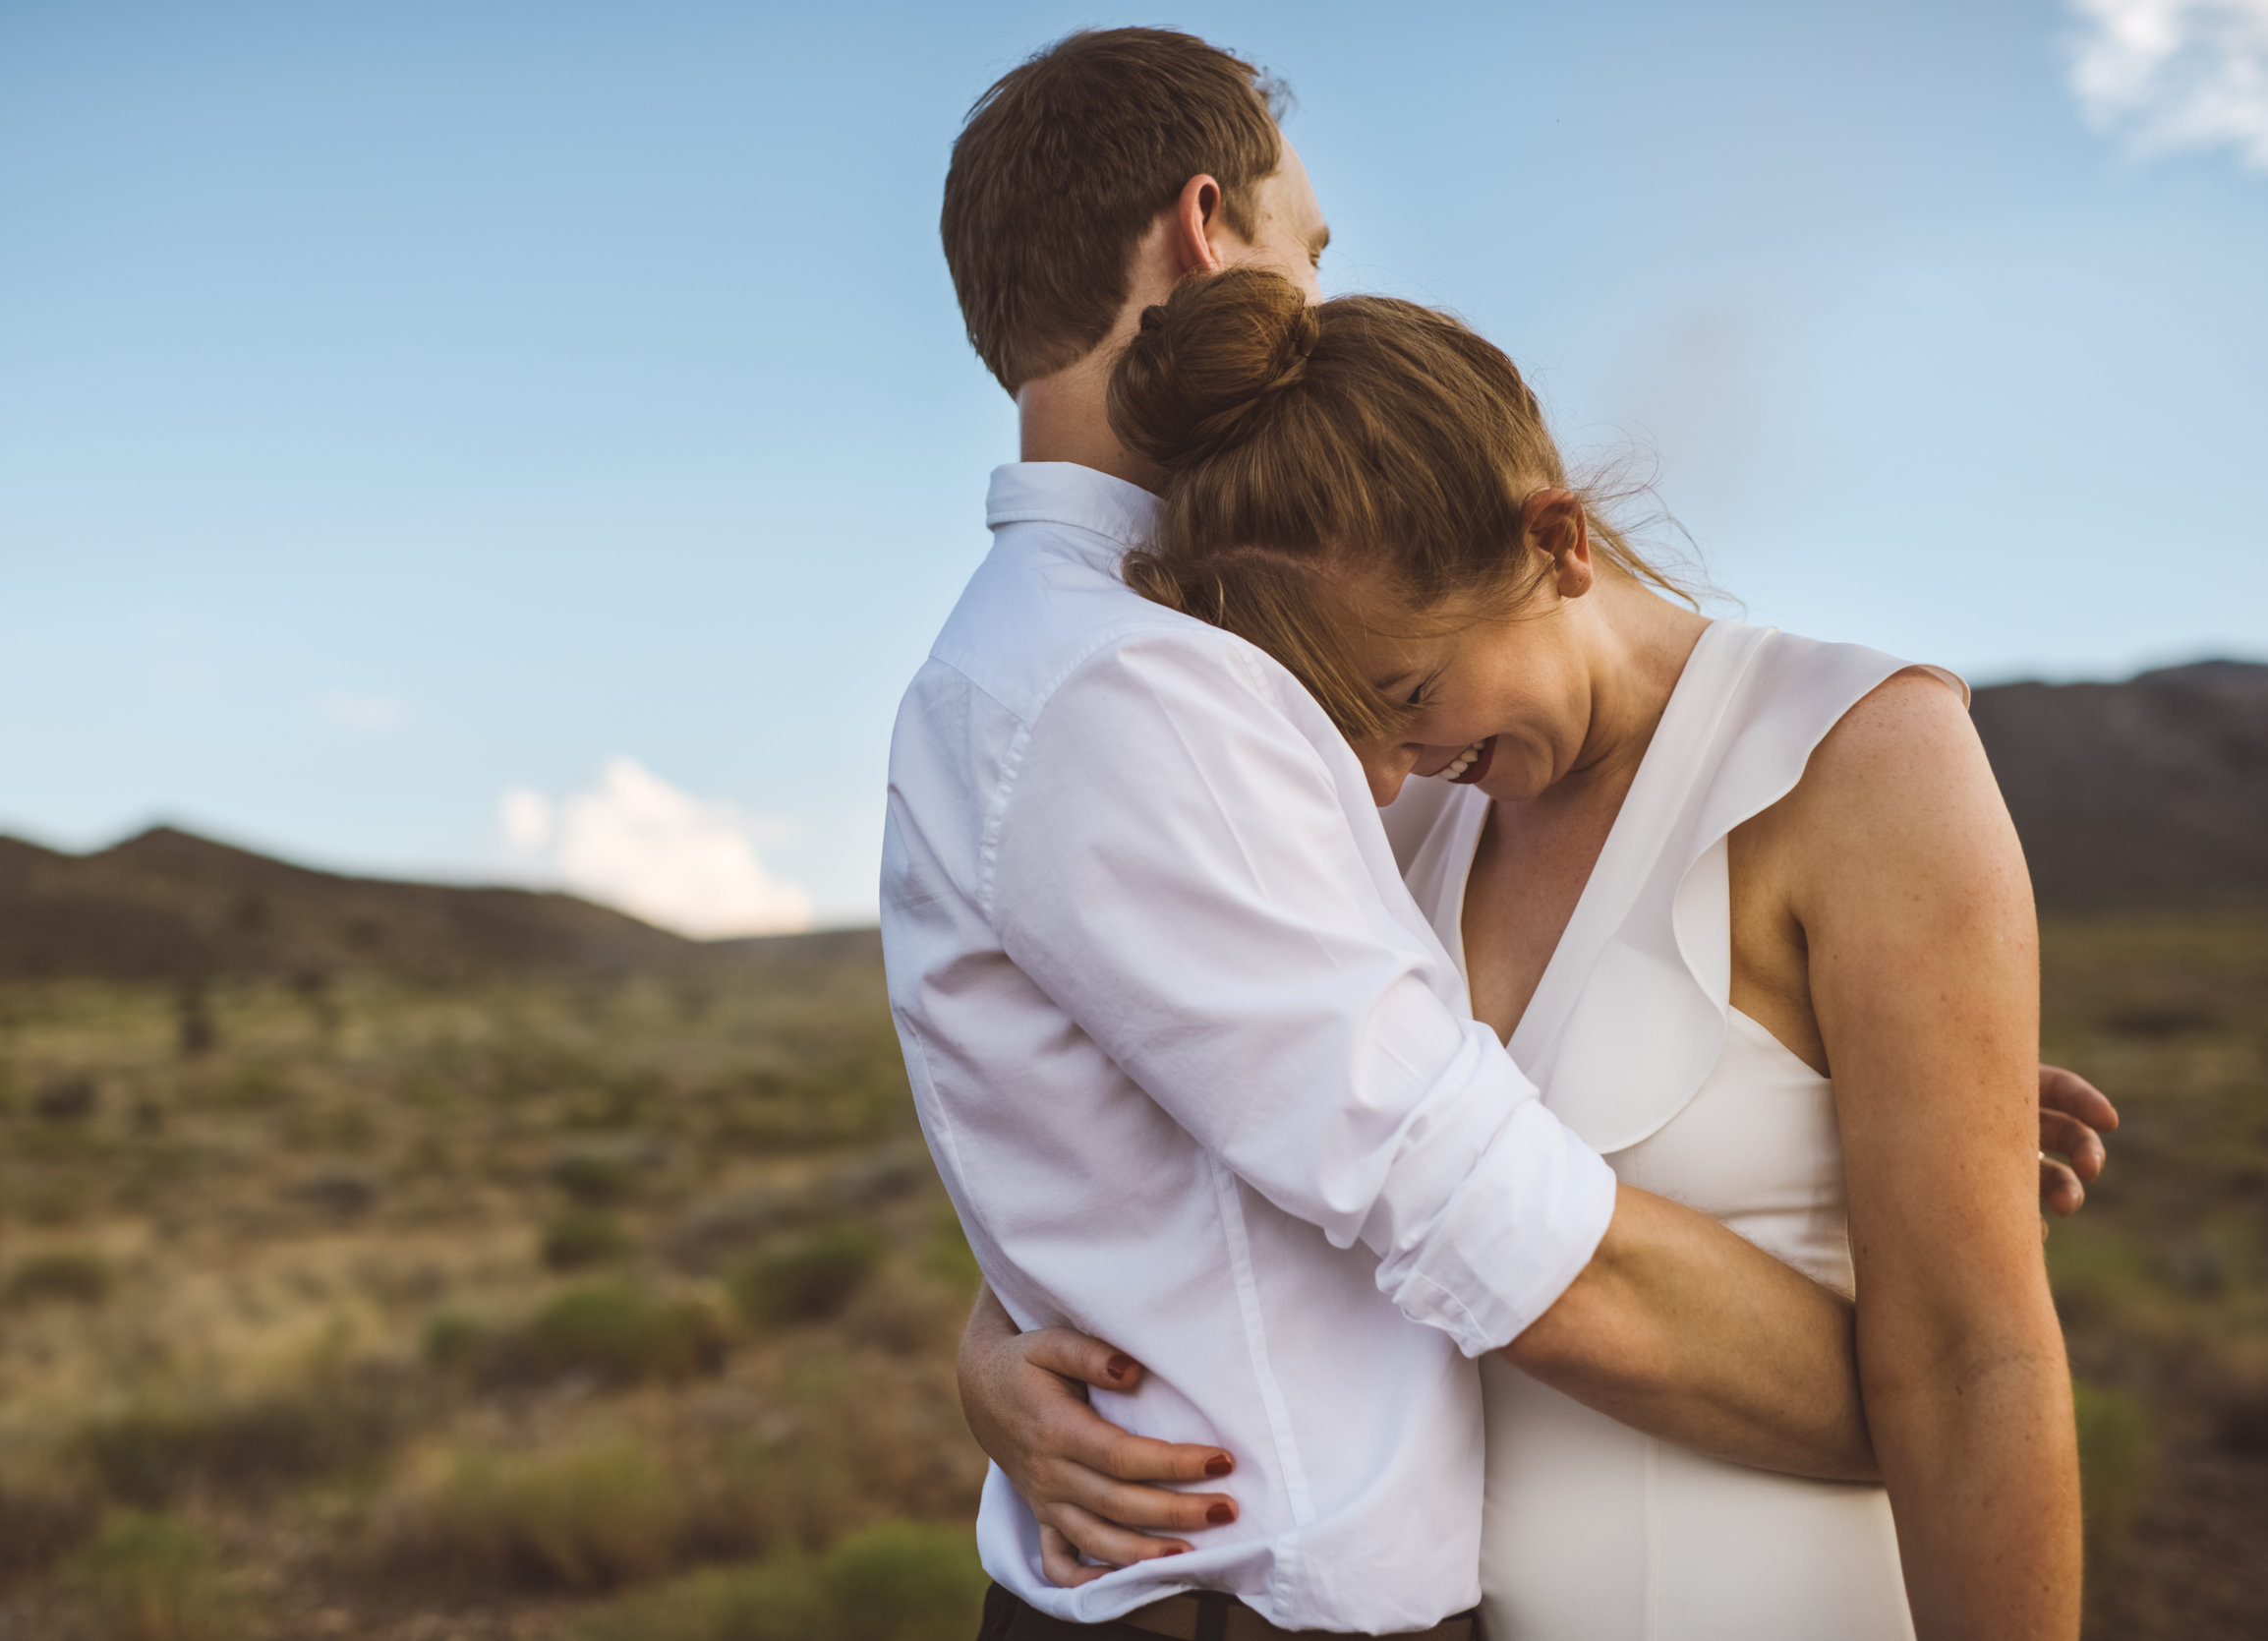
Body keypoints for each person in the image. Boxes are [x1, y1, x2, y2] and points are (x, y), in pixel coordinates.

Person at [892, 28, 2115, 1641]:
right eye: (1307, 254)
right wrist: (1919, 1390)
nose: (1399, 752)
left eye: (1404, 687)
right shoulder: (1163, 694)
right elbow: (1420, 1184)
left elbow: (1188, 1135)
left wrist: (1911, 1116)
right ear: (1207, 229)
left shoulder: (1830, 756)